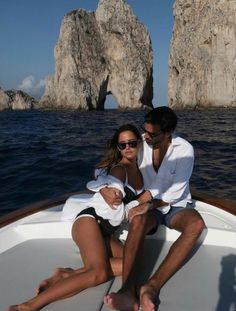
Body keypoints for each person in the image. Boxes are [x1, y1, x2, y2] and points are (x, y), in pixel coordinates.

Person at [8, 124, 145, 311]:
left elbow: (102, 174)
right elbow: (107, 180)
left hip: (105, 233)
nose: (128, 148)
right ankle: (29, 305)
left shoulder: (141, 172)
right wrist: (106, 189)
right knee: (99, 273)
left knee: (134, 264)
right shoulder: (119, 170)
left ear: (140, 142)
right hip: (89, 221)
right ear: (118, 148)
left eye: (131, 143)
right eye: (122, 145)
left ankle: (66, 274)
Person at [102, 107, 206, 311]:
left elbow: (176, 192)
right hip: (150, 208)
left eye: (152, 133)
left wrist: (148, 202)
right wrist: (105, 187)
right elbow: (113, 164)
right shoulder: (139, 144)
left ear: (168, 133)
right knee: (138, 220)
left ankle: (151, 287)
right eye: (144, 130)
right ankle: (127, 290)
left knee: (196, 224)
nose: (146, 136)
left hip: (175, 205)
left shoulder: (185, 150)